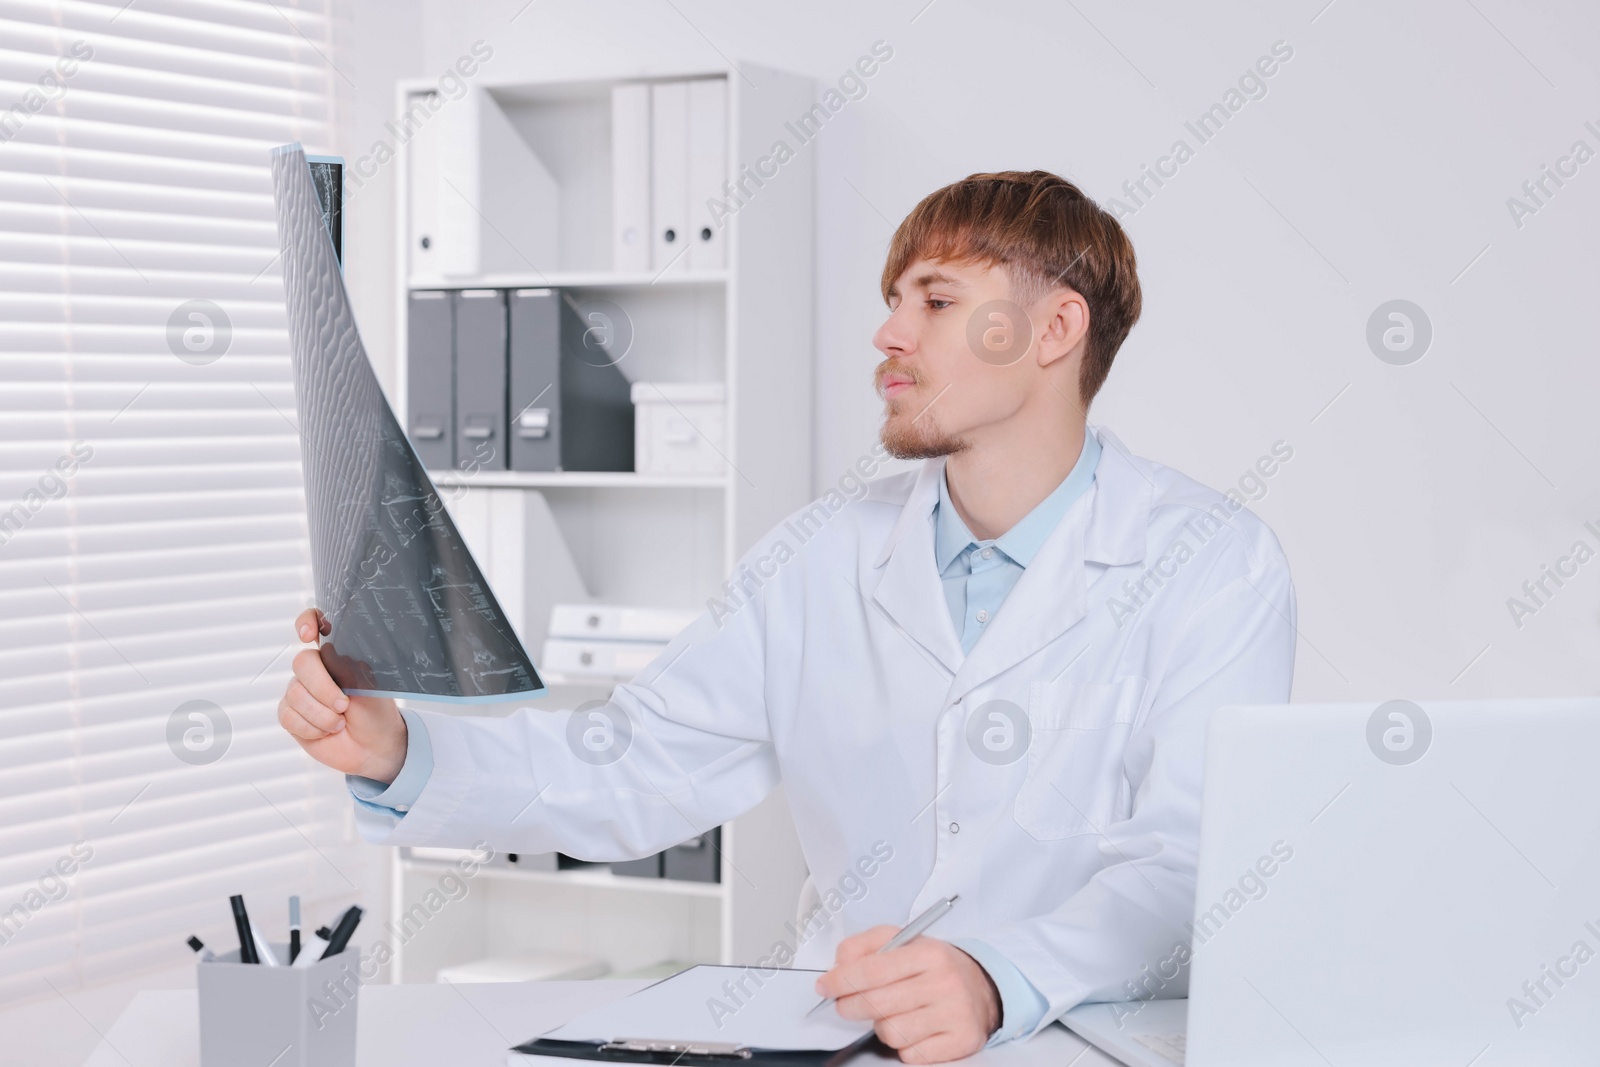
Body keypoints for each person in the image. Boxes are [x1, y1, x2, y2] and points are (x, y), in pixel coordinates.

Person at [278, 170, 1295, 1063]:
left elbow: (1190, 857)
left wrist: (998, 974)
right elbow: (638, 758)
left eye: (936, 300)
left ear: (1055, 329)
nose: (889, 333)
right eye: (894, 299)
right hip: (839, 1031)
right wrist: (402, 750)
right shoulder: (819, 553)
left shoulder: (1210, 561)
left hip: (1079, 1037)